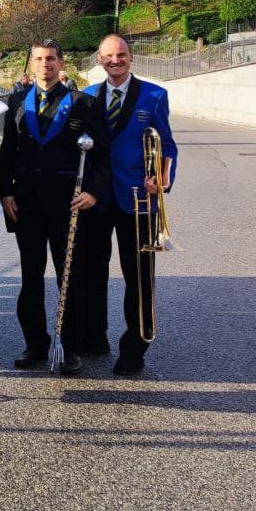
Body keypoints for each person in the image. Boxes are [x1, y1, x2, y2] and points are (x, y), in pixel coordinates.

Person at [0, 39, 110, 375]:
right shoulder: (17, 101)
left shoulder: (84, 104)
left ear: (61, 62)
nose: (44, 64)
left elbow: (103, 155)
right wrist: (5, 192)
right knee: (30, 279)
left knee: (69, 278)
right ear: (31, 64)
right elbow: (7, 152)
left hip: (68, 205)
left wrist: (93, 192)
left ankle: (70, 347)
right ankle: (35, 344)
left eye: (50, 59)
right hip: (27, 204)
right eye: (38, 59)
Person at [81, 35, 178, 377]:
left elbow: (167, 147)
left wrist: (160, 180)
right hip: (96, 198)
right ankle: (93, 338)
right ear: (99, 59)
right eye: (109, 55)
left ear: (131, 56)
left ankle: (135, 347)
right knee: (91, 273)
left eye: (121, 54)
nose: (115, 60)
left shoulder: (154, 95)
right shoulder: (87, 96)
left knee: (138, 277)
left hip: (138, 198)